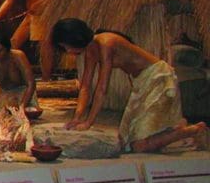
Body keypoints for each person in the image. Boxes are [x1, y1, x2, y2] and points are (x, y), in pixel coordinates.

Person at [51, 18, 208, 152]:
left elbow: (101, 88)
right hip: (142, 81)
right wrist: (77, 118)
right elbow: (85, 86)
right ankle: (175, 129)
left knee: (138, 145)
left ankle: (194, 130)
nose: (68, 51)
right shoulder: (90, 50)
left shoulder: (106, 43)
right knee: (126, 142)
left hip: (158, 77)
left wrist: (89, 122)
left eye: (66, 46)